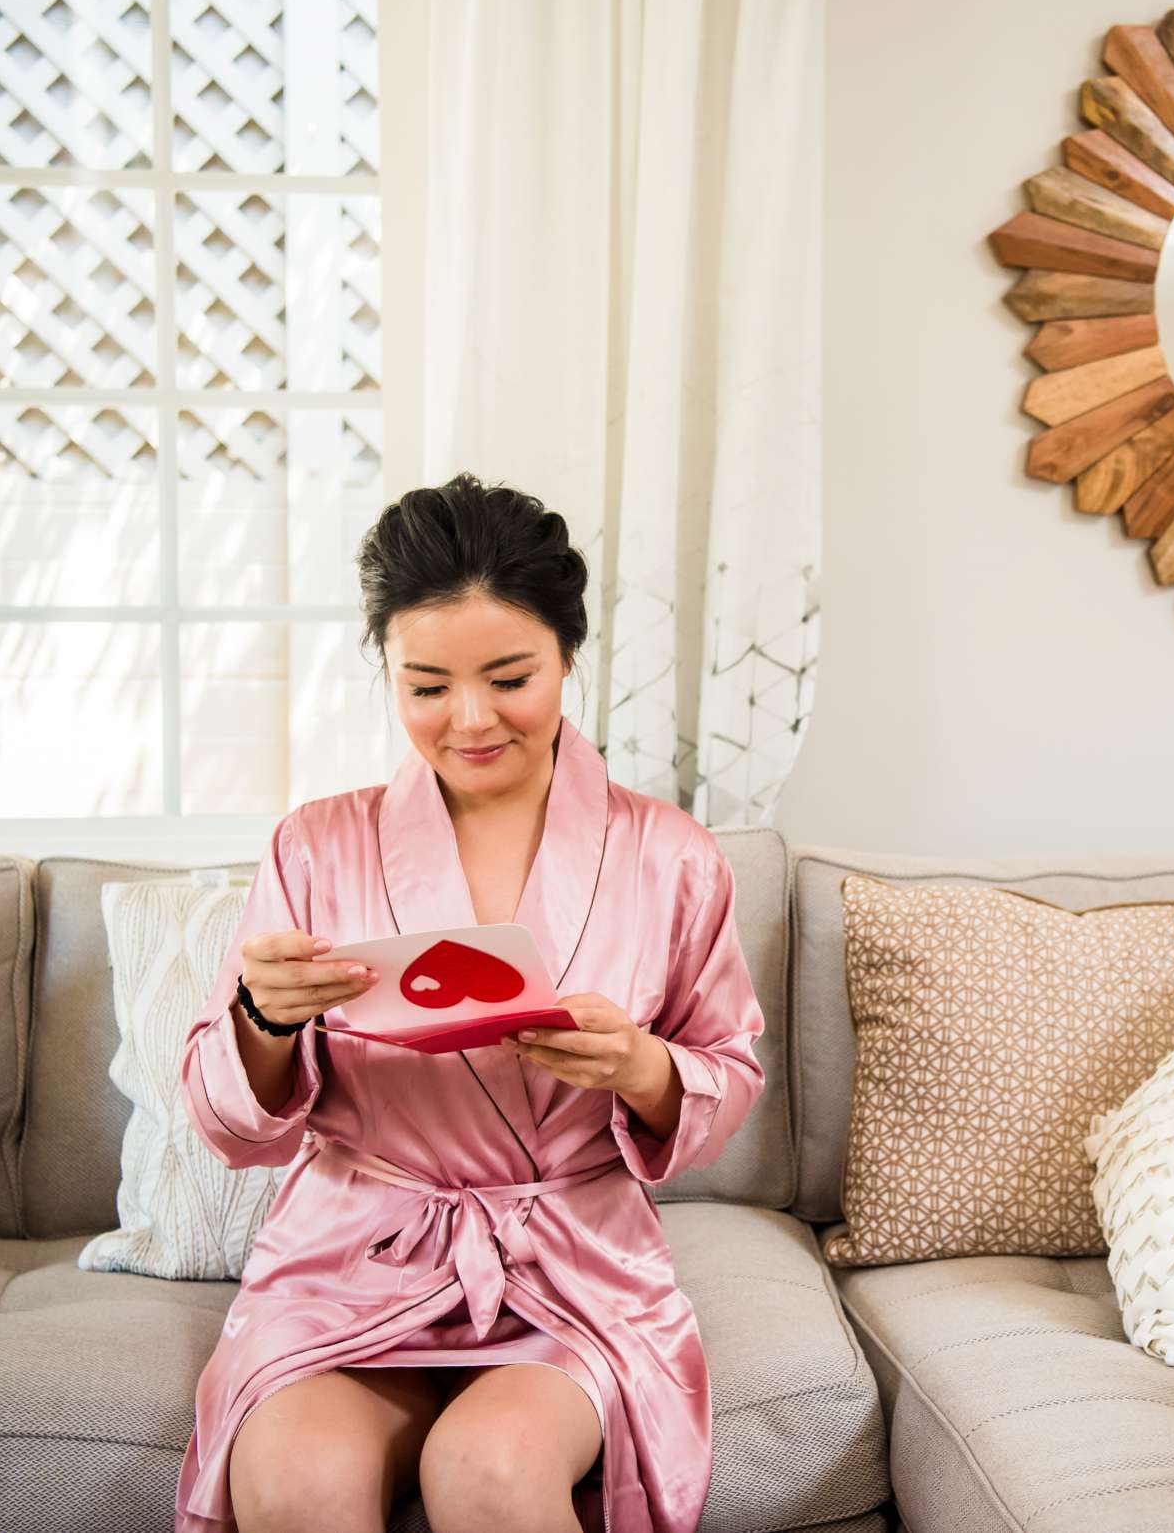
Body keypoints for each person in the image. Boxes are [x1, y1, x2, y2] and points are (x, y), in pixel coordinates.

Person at [172, 474, 767, 1533]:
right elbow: (230, 1124)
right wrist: (263, 1020)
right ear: (387, 675)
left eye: (510, 676)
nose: (472, 719)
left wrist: (640, 1066)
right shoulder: (316, 846)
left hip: (569, 1264)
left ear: (568, 659)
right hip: (353, 1258)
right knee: (298, 1475)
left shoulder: (668, 856)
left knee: (488, 1470)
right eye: (428, 686)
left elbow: (726, 1068)